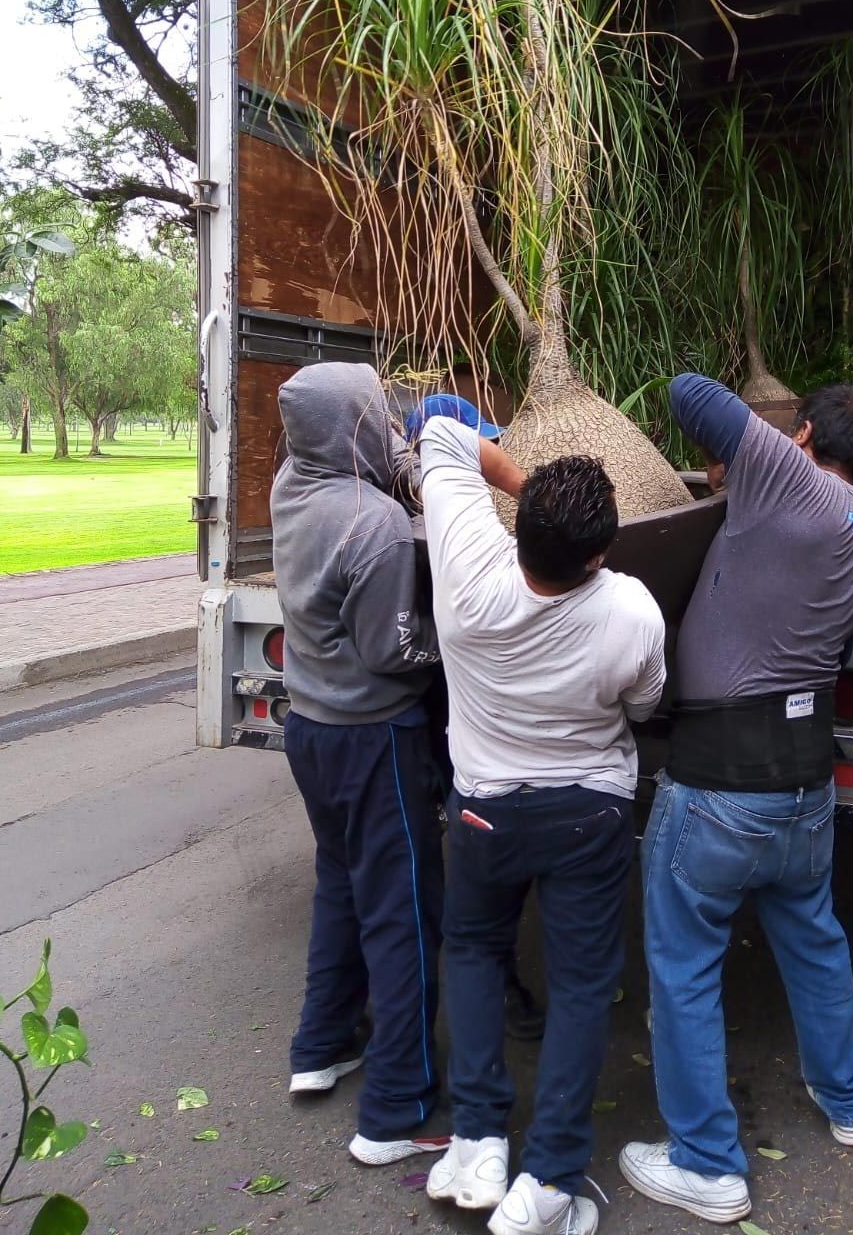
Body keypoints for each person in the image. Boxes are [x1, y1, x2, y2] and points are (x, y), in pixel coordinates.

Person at [620, 375, 853, 1225]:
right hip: (804, 784)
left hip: (719, 785)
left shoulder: (788, 475)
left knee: (683, 963)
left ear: (804, 437)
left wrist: (755, 447)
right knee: (813, 939)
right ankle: (849, 1102)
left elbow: (690, 393)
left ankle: (706, 1163)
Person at [418, 415, 666, 1235]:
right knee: (584, 984)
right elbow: (646, 705)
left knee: (477, 953)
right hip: (585, 816)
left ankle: (481, 1140)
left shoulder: (466, 574)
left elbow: (442, 431)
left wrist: (533, 494)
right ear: (597, 555)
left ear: (517, 527)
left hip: (483, 811)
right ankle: (550, 1182)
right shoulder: (630, 609)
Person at [270, 361, 448, 1167]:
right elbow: (392, 649)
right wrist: (456, 646)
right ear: (355, 430)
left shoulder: (291, 486)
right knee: (402, 911)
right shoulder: (373, 523)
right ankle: (397, 1110)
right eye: (382, 415)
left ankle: (320, 1046)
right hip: (375, 736)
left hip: (310, 727)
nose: (392, 425)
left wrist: (400, 460)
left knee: (339, 885)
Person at [404, 391, 548, 1046]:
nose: (494, 454)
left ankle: (486, 984)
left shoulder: (434, 516)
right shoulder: (441, 534)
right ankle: (488, 993)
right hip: (445, 722)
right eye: (482, 444)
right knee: (464, 881)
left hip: (446, 721)